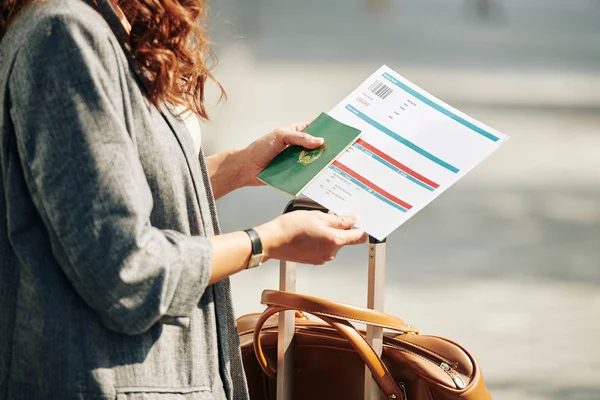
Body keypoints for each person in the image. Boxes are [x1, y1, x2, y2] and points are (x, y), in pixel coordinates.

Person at [0, 0, 367, 398]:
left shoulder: (106, 23)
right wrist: (267, 240)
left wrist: (240, 166)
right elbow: (124, 267)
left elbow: (105, 190)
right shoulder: (64, 34)